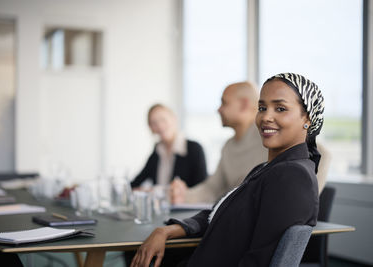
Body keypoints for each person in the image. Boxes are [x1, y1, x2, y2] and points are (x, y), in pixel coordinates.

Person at [130, 73, 324, 267]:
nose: (266, 117)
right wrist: (166, 230)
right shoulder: (266, 169)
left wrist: (312, 190)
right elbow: (220, 210)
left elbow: (258, 261)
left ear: (307, 118)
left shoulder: (292, 177)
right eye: (262, 108)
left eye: (280, 108)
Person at [170, 82, 330, 204]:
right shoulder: (228, 146)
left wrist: (305, 200)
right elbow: (213, 188)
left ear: (244, 104)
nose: (219, 109)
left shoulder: (271, 136)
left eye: (224, 103)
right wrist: (184, 194)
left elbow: (322, 153)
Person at [130, 104, 207, 189]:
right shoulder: (157, 151)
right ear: (150, 128)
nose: (159, 126)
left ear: (174, 119)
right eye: (153, 123)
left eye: (163, 120)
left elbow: (202, 188)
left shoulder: (194, 149)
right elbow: (135, 183)